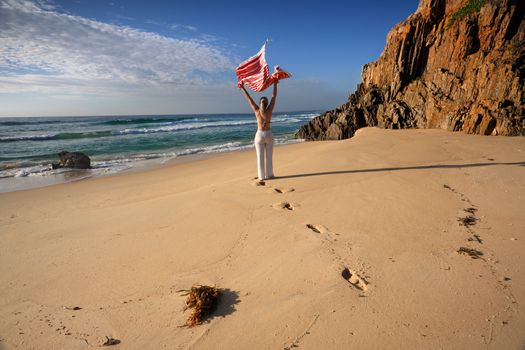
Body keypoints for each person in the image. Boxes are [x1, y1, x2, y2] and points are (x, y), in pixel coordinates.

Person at [240, 81, 278, 182]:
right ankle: (270, 175)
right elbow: (274, 97)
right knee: (269, 157)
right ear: (266, 103)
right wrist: (275, 84)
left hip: (259, 135)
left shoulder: (257, 110)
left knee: (260, 158)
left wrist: (243, 88)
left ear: (260, 103)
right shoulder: (269, 110)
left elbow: (249, 99)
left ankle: (261, 177)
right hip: (268, 134)